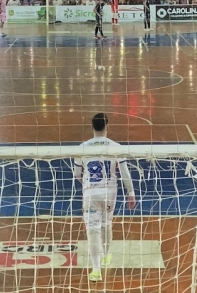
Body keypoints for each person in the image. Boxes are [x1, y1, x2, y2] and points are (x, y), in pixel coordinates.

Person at [74, 113, 135, 282]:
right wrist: (131, 193)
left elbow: (77, 174)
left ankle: (96, 269)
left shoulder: (83, 147)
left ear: (92, 127)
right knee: (107, 223)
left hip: (91, 192)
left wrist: (87, 184)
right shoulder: (115, 146)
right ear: (108, 127)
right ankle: (106, 255)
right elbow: (125, 173)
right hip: (110, 192)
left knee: (93, 229)